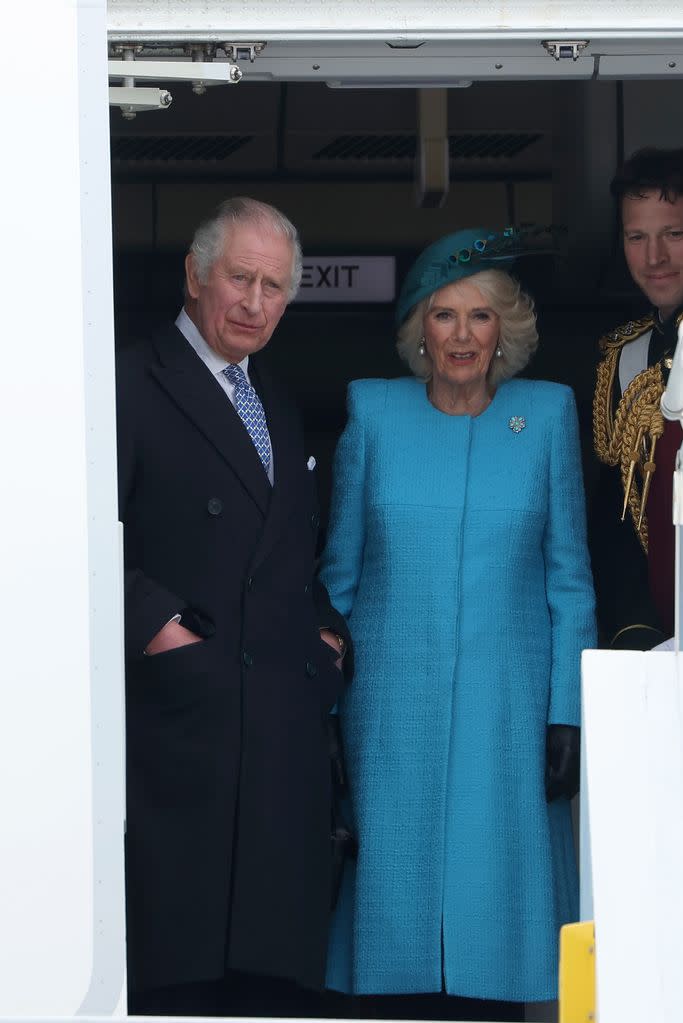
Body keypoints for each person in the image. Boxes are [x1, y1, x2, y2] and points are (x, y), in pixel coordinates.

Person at [318, 228, 596, 1021]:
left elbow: (568, 580)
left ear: (505, 330)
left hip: (508, 715)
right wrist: (326, 711)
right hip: (389, 711)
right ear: (419, 329)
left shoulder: (544, 416)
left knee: (499, 917)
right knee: (389, 913)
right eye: (443, 316)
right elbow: (336, 578)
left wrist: (565, 711)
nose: (462, 335)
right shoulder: (373, 410)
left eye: (481, 317)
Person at [117, 197, 352, 1016]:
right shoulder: (125, 381)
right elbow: (73, 534)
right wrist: (154, 626)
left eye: (275, 287)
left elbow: (287, 549)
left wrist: (326, 637)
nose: (255, 303)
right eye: (240, 279)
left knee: (266, 986)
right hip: (183, 726)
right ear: (193, 274)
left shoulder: (275, 401)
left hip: (275, 724)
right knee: (180, 977)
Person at [592, 147, 683, 650]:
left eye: (674, 233)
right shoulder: (622, 357)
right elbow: (617, 525)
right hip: (649, 633)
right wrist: (633, 629)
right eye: (637, 237)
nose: (655, 258)